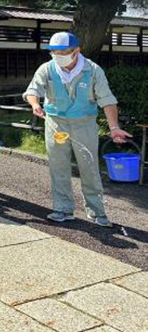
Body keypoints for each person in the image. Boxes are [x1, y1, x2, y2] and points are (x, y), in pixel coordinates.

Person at [24, 31, 131, 227]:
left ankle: (96, 211)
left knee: (89, 166)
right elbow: (32, 91)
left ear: (76, 51)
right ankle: (63, 209)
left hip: (85, 123)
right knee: (58, 167)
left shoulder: (93, 70)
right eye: (54, 52)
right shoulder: (47, 69)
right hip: (55, 123)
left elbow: (107, 100)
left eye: (63, 52)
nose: (58, 56)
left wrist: (114, 127)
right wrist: (35, 104)